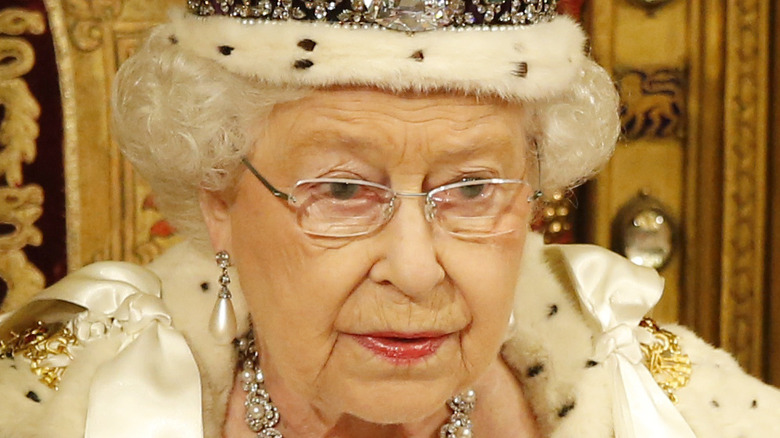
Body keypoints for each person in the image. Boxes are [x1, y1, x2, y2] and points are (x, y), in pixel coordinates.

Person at [1, 0, 778, 437]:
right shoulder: (53, 404)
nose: (414, 267)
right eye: (342, 192)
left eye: (473, 189)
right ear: (219, 195)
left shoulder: (673, 408)